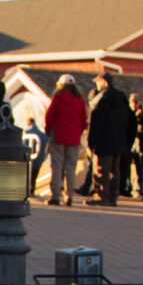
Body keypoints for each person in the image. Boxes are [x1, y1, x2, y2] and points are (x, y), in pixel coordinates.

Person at [85, 69, 130, 207]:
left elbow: (96, 123)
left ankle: (101, 196)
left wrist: (91, 142)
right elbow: (130, 121)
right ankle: (113, 197)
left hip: (104, 141)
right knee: (115, 170)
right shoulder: (122, 99)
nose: (97, 86)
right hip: (119, 141)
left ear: (103, 82)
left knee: (101, 169)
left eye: (98, 82)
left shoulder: (101, 100)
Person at [43, 74, 88, 206]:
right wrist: (78, 132)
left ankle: (56, 196)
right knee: (71, 167)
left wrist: (48, 132)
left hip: (58, 136)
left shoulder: (57, 99)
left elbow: (49, 117)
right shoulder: (79, 100)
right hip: (73, 138)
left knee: (57, 166)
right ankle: (69, 196)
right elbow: (83, 120)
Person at [24, 117, 49, 198]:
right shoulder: (43, 135)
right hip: (39, 159)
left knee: (27, 177)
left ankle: (27, 192)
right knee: (34, 178)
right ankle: (32, 191)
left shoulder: (27, 133)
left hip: (28, 159)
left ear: (28, 124)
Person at [126, 94, 143, 197]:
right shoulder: (127, 113)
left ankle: (139, 187)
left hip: (138, 144)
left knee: (139, 168)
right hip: (130, 144)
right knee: (127, 166)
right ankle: (127, 186)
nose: (134, 104)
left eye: (136, 102)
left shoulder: (142, 114)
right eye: (132, 101)